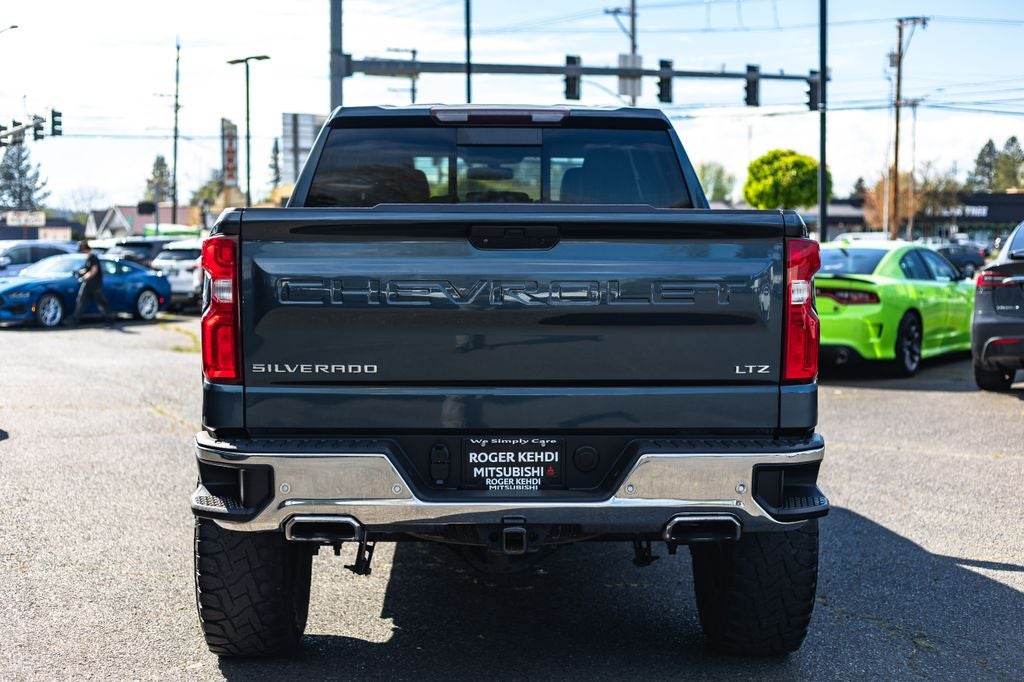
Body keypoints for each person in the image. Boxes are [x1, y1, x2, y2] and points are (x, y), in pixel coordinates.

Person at [69, 241, 113, 325]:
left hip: (95, 285)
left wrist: (83, 278)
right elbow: (87, 269)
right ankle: (75, 319)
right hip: (88, 285)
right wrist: (79, 272)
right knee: (81, 301)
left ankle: (110, 319)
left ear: (85, 249)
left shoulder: (93, 257)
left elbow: (93, 271)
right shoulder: (88, 258)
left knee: (101, 303)